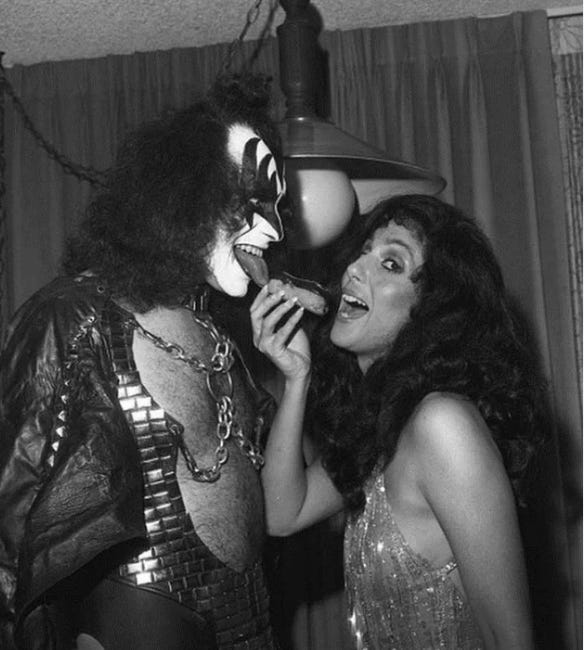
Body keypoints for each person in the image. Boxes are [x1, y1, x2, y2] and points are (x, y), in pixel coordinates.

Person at [0, 74, 287, 649]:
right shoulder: (73, 316)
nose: (274, 230)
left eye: (277, 207)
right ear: (183, 197)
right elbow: (9, 528)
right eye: (251, 203)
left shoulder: (220, 338)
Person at [250, 194, 544, 649]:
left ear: (433, 309)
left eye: (391, 264)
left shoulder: (442, 425)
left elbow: (512, 640)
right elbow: (281, 514)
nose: (353, 268)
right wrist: (296, 379)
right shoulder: (382, 428)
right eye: (363, 252)